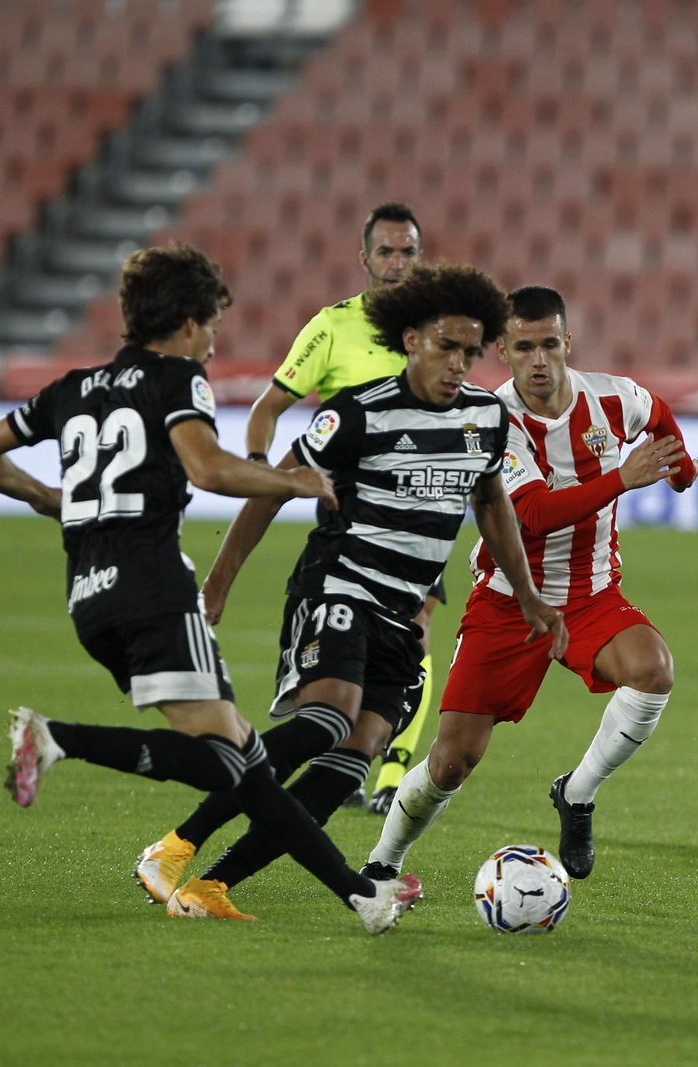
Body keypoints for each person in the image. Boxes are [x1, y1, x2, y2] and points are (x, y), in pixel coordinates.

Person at [0, 242, 420, 934]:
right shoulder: (177, 378)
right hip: (154, 590)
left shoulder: (70, 388)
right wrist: (289, 479)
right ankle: (56, 737)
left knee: (246, 761)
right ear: (188, 322)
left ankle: (359, 896)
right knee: (227, 760)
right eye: (212, 328)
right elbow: (207, 468)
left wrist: (52, 498)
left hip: (89, 597)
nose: (212, 345)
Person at [134, 265, 568, 920]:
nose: (459, 363)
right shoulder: (357, 412)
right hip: (339, 584)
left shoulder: (485, 417)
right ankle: (175, 845)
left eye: (471, 351)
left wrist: (529, 594)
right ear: (411, 339)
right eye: (446, 346)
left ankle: (210, 886)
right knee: (328, 719)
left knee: (351, 760)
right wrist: (218, 584)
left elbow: (489, 499)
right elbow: (274, 489)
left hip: (401, 611)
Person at [362, 284, 698, 885]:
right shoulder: (491, 420)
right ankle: (382, 864)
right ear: (502, 350)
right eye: (524, 347)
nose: (539, 359)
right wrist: (622, 479)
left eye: (549, 344)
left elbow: (658, 416)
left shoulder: (612, 398)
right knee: (452, 761)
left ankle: (577, 793)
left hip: (591, 594)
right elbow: (531, 515)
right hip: (509, 601)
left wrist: (683, 472)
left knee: (653, 671)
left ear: (568, 342)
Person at [235, 201, 437, 816]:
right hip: (348, 515)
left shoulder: (434, 329)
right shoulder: (331, 328)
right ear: (364, 258)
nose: (397, 263)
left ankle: (391, 774)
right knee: (349, 652)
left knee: (418, 631)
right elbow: (269, 407)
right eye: (386, 251)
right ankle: (340, 761)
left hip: (419, 511)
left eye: (407, 251)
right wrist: (260, 467)